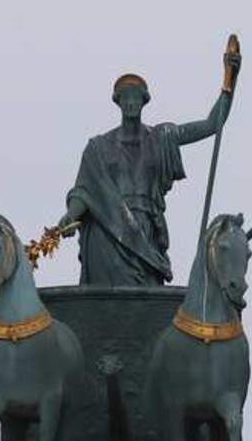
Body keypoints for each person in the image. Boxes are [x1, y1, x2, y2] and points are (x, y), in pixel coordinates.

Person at [59, 62, 239, 287]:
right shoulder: (98, 147)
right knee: (107, 299)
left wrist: (230, 81)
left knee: (147, 296)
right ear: (119, 102)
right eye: (125, 98)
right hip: (108, 231)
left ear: (144, 102)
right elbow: (84, 191)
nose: (131, 102)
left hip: (147, 229)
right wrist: (71, 215)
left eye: (136, 97)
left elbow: (212, 124)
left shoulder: (162, 137)